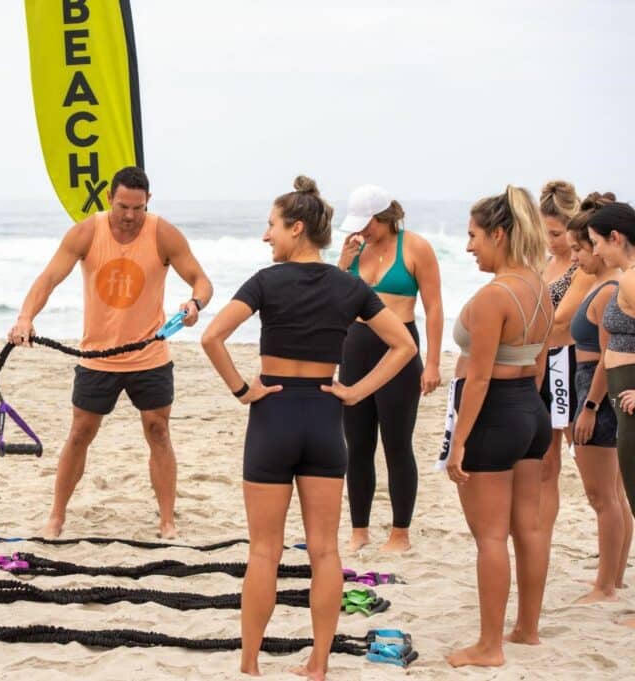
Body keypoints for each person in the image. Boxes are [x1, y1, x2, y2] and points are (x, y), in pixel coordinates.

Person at [201, 176, 415, 679]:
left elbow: (213, 337)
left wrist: (241, 389)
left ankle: (250, 665)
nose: (265, 236)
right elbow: (403, 346)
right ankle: (317, 664)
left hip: (272, 415)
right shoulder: (350, 285)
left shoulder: (264, 282)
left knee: (263, 552)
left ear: (296, 229)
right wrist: (356, 391)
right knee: (325, 550)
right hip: (324, 417)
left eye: (272, 226)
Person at [9, 166, 213, 540]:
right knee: (80, 433)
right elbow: (49, 278)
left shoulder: (163, 233)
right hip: (97, 356)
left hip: (150, 355)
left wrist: (195, 304)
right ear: (109, 199)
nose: (131, 216)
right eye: (123, 207)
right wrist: (25, 318)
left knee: (158, 431)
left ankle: (167, 521)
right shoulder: (87, 231)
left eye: (138, 207)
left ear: (148, 201)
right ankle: (56, 517)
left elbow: (201, 280)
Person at [445, 186, 552, 668]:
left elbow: (480, 376)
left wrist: (458, 443)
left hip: (495, 414)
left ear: (499, 234)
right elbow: (539, 362)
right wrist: (528, 412)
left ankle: (490, 647)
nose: (468, 246)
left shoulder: (495, 296)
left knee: (490, 536)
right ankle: (527, 629)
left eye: (473, 236)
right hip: (531, 411)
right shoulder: (539, 287)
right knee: (527, 526)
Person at [336, 185, 443, 553]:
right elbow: (336, 301)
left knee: (397, 443)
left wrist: (432, 363)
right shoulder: (354, 248)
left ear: (382, 217)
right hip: (357, 346)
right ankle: (359, 530)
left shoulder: (415, 247)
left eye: (366, 224)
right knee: (357, 445)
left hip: (400, 346)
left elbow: (434, 308)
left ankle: (400, 533)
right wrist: (344, 264)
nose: (361, 232)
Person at [564, 193, 632, 604]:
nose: (578, 256)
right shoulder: (610, 284)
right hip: (596, 383)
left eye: (583, 246)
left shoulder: (614, 288)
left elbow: (607, 357)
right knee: (617, 496)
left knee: (602, 496)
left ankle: (605, 584)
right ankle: (615, 578)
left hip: (598, 387)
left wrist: (589, 406)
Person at [533, 180, 593, 607]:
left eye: (557, 234)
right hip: (538, 361)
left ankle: (603, 563)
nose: (552, 242)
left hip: (565, 366)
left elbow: (561, 321)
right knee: (542, 461)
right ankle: (542, 539)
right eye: (546, 233)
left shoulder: (578, 266)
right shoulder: (540, 262)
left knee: (570, 462)